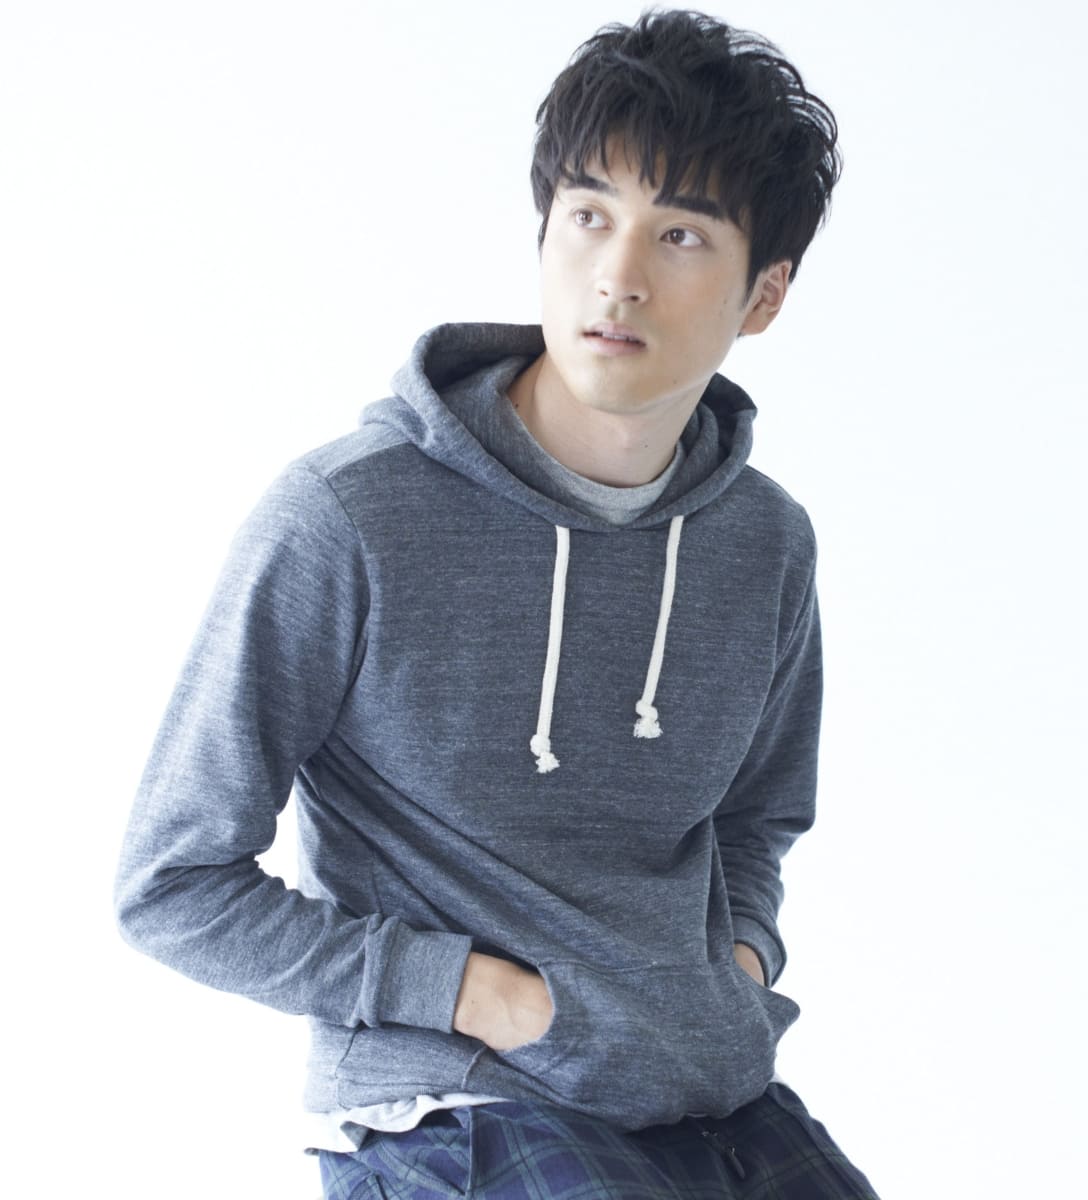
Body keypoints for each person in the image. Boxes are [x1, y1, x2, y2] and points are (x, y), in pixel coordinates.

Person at [116, 9, 880, 1198]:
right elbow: (172, 885)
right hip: (453, 1101)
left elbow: (758, 817)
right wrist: (468, 993)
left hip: (707, 1089)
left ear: (764, 294)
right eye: (590, 216)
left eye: (681, 235)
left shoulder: (763, 543)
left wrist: (737, 966)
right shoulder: (348, 517)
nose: (619, 277)